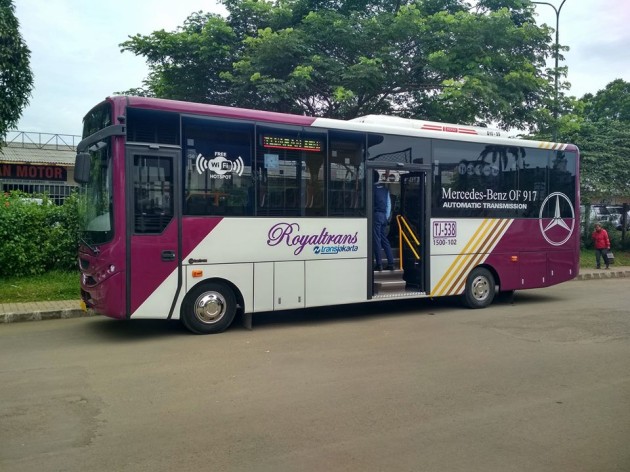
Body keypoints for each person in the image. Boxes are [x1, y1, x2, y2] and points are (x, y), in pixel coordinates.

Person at [373, 170, 394, 271]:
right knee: (384, 239)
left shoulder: (371, 189)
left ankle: (379, 264)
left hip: (376, 216)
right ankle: (391, 262)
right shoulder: (385, 190)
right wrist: (386, 217)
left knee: (376, 240)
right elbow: (389, 205)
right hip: (383, 217)